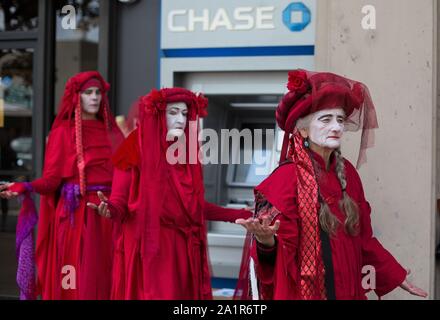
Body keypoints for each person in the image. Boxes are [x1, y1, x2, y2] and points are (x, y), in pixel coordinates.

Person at [235, 70, 427, 300]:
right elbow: (277, 259)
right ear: (303, 129)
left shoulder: (349, 174)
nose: (336, 127)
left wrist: (395, 275)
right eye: (325, 120)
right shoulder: (284, 180)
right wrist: (266, 241)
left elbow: (363, 240)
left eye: (340, 119)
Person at [87, 87, 251, 299]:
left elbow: (193, 207)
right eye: (173, 113)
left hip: (181, 250)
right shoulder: (135, 146)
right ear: (159, 113)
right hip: (150, 250)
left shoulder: (184, 152)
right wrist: (110, 210)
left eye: (184, 113)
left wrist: (239, 215)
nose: (180, 119)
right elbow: (120, 200)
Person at [0, 71, 123, 300]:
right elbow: (51, 181)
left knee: (108, 278)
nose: (95, 97)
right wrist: (25, 187)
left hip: (108, 217)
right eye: (88, 93)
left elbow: (127, 177)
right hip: (76, 218)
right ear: (77, 96)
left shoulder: (113, 133)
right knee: (74, 279)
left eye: (98, 92)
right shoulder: (62, 133)